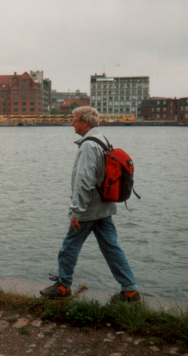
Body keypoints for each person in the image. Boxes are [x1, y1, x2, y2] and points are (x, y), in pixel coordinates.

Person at [40, 106, 141, 303]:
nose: (72, 123)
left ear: (85, 123)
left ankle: (63, 286)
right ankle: (130, 290)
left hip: (89, 208)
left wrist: (76, 211)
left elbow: (84, 181)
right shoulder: (103, 140)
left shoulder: (87, 146)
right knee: (112, 248)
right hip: (104, 206)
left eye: (74, 120)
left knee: (69, 247)